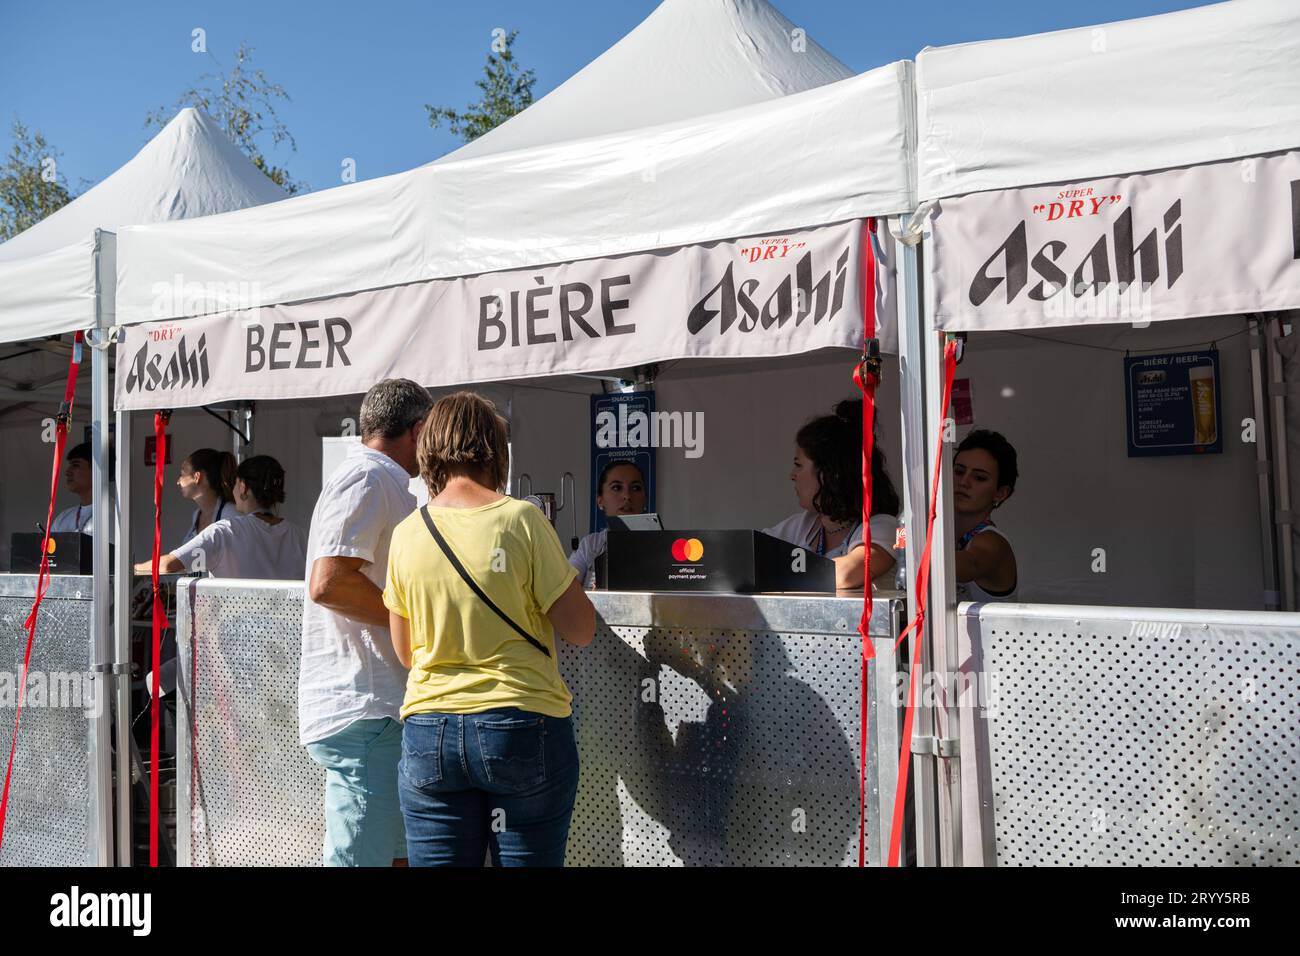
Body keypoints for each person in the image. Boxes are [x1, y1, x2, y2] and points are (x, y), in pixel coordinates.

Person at [384, 391, 595, 867]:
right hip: (521, 722)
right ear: (495, 449)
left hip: (429, 729)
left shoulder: (407, 533)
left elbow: (405, 651)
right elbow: (581, 629)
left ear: (429, 449)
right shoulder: (521, 519)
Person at [298, 378, 433, 868]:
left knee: (393, 858)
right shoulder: (368, 479)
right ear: (418, 430)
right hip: (364, 704)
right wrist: (414, 625)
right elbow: (328, 582)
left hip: (378, 706)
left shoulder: (378, 480)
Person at [764, 399, 901, 590]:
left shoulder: (881, 526)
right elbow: (752, 553)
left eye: (798, 465)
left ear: (829, 473)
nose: (792, 475)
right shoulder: (804, 524)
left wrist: (772, 571)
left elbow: (846, 574)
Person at [137, 455, 306, 580]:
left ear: (243, 487)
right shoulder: (299, 535)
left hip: (235, 625)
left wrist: (133, 568)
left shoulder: (226, 531)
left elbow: (169, 565)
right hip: (287, 627)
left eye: (234, 484)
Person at [953, 429, 1018, 601]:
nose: (964, 482)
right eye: (959, 472)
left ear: (1001, 493)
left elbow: (971, 565)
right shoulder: (947, 538)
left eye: (979, 478)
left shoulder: (992, 540)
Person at [568, 459, 647, 587]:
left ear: (645, 499)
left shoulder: (663, 547)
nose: (627, 495)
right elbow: (566, 592)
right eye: (617, 487)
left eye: (635, 488)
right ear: (600, 501)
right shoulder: (590, 546)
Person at [176, 448, 237, 543]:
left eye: (182, 474)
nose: (178, 482)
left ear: (197, 477)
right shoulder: (196, 515)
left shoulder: (231, 514)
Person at [50, 443, 95, 533]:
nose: (67, 472)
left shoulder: (115, 515)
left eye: (75, 465)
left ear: (96, 470)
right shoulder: (62, 518)